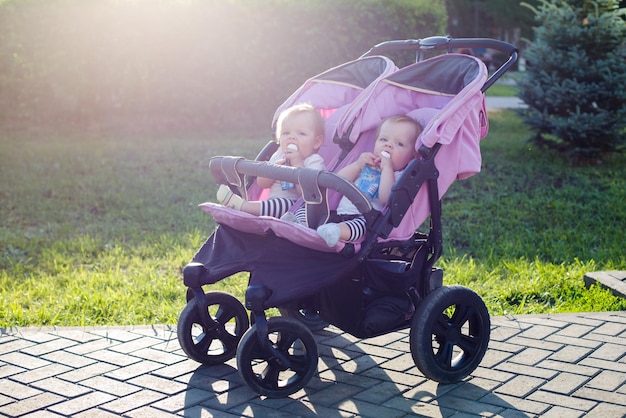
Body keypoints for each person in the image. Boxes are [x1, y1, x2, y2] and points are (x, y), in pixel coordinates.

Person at [316, 114, 422, 247]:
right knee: (317, 210)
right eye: (383, 139)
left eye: (399, 143)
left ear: (412, 156)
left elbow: (386, 198)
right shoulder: (367, 164)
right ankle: (300, 221)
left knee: (360, 227)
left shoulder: (399, 175)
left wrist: (387, 169)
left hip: (365, 219)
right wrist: (357, 166)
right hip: (339, 213)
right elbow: (337, 182)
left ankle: (335, 232)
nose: (388, 145)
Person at [216, 103, 326, 217]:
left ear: (316, 142)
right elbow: (262, 183)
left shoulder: (314, 161)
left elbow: (308, 194)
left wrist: (298, 164)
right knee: (272, 204)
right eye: (286, 133)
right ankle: (246, 209)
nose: (291, 137)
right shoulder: (278, 155)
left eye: (301, 133)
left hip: (297, 207)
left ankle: (241, 206)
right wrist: (274, 170)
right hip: (271, 206)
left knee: (286, 204)